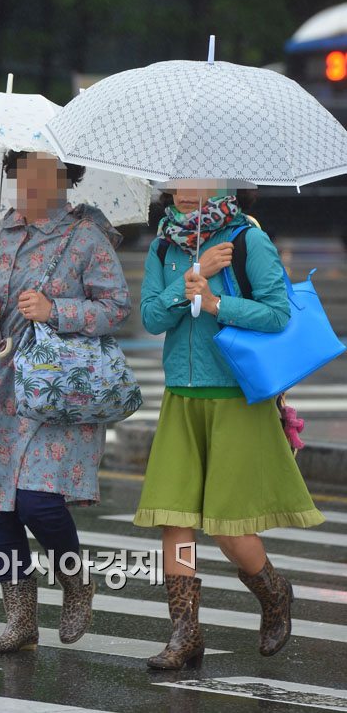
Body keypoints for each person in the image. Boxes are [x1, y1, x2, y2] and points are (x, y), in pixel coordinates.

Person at [0, 151, 131, 653]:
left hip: (59, 389)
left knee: (38, 501)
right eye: (23, 170)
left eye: (45, 171)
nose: (32, 181)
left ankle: (76, 581)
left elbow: (117, 307)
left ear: (66, 177)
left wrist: (57, 309)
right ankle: (20, 620)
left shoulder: (86, 237)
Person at [134, 182, 325, 670]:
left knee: (229, 528)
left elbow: (277, 315)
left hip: (236, 397)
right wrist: (190, 280)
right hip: (181, 396)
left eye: (197, 180)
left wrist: (217, 303)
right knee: (174, 518)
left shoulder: (247, 240)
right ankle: (185, 632)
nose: (183, 191)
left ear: (224, 183)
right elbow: (152, 317)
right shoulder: (164, 245)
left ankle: (274, 592)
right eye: (177, 181)